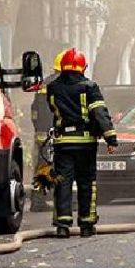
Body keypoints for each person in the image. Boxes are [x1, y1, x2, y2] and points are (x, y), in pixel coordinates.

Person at [46, 48, 118, 238]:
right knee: (87, 183)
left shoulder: (53, 87)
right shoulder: (89, 87)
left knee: (63, 182)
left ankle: (62, 225)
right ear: (83, 67)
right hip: (86, 143)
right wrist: (110, 138)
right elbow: (99, 113)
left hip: (62, 143)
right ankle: (87, 225)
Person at [29, 50, 67, 212]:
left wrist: (39, 129)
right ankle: (64, 202)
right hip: (59, 132)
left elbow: (34, 110)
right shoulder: (65, 83)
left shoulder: (44, 84)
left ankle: (37, 200)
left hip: (42, 133)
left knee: (43, 165)